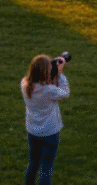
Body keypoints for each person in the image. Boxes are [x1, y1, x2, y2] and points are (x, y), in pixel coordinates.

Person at [21, 54, 70, 185]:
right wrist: (59, 74)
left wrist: (52, 72)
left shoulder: (25, 84)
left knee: (33, 163)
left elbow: (42, 83)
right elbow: (65, 92)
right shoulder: (49, 90)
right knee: (46, 168)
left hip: (32, 130)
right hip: (50, 132)